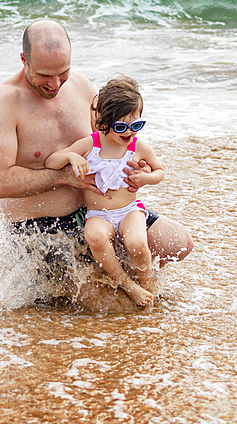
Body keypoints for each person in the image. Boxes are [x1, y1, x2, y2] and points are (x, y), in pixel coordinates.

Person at [0, 19, 193, 308]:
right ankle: (83, 281)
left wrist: (137, 168)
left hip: (99, 213)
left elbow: (111, 139)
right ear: (23, 60)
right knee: (115, 307)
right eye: (45, 76)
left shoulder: (80, 85)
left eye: (62, 73)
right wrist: (63, 177)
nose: (55, 85)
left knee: (179, 243)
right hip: (40, 227)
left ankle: (112, 268)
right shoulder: (2, 102)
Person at [45, 75, 162, 306]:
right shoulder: (91, 144)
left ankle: (146, 282)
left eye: (136, 125)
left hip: (129, 210)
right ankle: (127, 285)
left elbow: (160, 171)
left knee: (137, 244)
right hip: (99, 214)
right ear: (104, 122)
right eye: (121, 126)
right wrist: (70, 156)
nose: (129, 132)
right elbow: (51, 161)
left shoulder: (139, 146)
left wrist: (146, 178)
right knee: (95, 236)